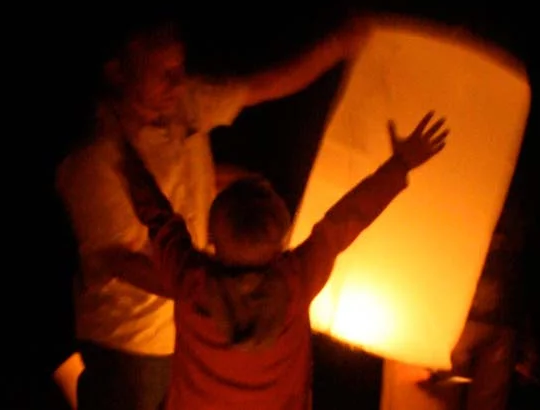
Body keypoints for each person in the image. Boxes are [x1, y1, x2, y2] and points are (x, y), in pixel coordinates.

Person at [55, 16, 370, 409]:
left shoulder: (185, 104)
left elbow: (263, 86)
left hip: (191, 333)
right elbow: (118, 259)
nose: (177, 81)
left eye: (180, 68)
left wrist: (338, 46)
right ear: (118, 71)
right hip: (131, 344)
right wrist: (207, 289)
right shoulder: (94, 159)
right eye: (163, 72)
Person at [113, 111, 448, 409]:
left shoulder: (191, 280)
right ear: (280, 241)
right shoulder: (295, 281)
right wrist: (399, 165)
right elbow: (346, 219)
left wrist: (123, 153)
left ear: (212, 239)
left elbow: (158, 217)